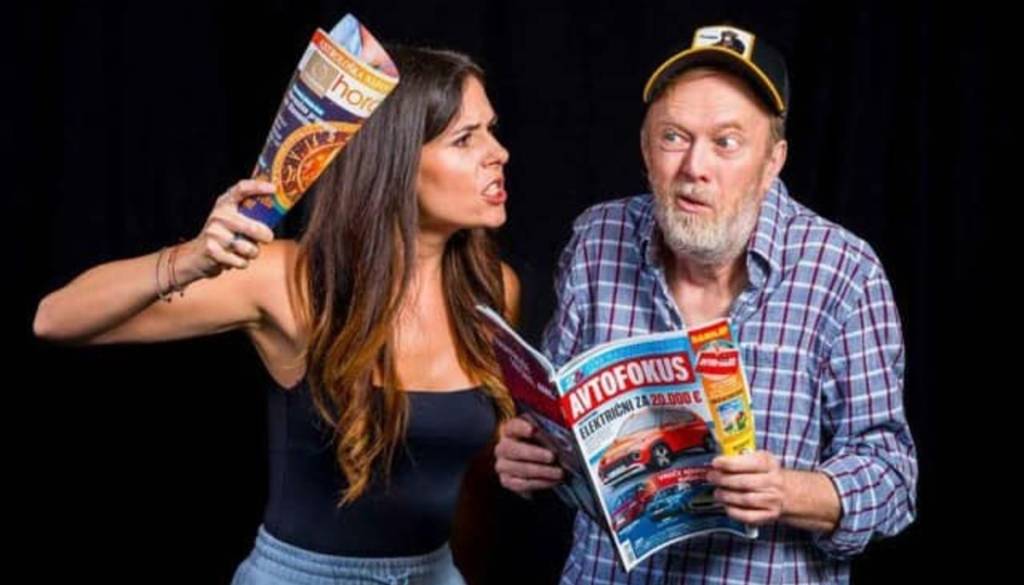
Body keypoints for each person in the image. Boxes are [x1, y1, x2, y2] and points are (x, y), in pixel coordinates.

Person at [34, 46, 518, 585]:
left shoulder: (492, 290)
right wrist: (190, 259)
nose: (498, 153)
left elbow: (475, 477)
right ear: (395, 160)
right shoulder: (287, 280)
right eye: (465, 138)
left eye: (491, 131)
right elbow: (55, 318)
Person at [494, 24, 917, 584]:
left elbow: (892, 478)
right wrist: (528, 452)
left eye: (726, 142)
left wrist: (786, 491)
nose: (695, 167)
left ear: (772, 161)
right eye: (674, 137)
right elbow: (556, 415)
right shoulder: (597, 240)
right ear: (646, 150)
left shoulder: (843, 272)